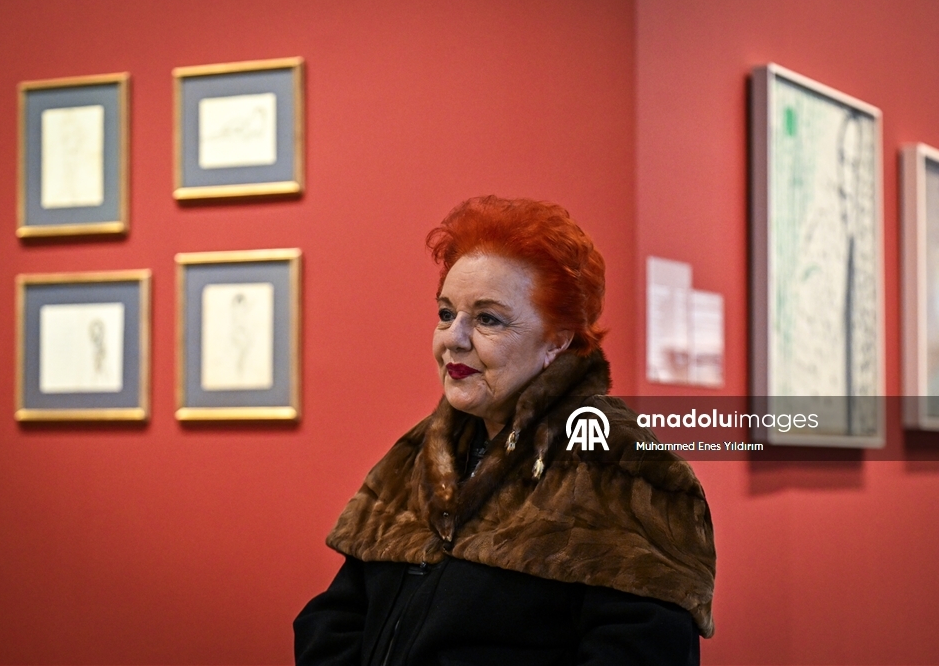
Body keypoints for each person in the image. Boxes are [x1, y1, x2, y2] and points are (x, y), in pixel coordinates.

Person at [294, 196, 716, 666]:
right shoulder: (420, 454)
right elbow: (336, 619)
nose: (454, 338)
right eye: (446, 314)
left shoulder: (622, 466)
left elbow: (643, 653)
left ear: (556, 341)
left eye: (488, 319)